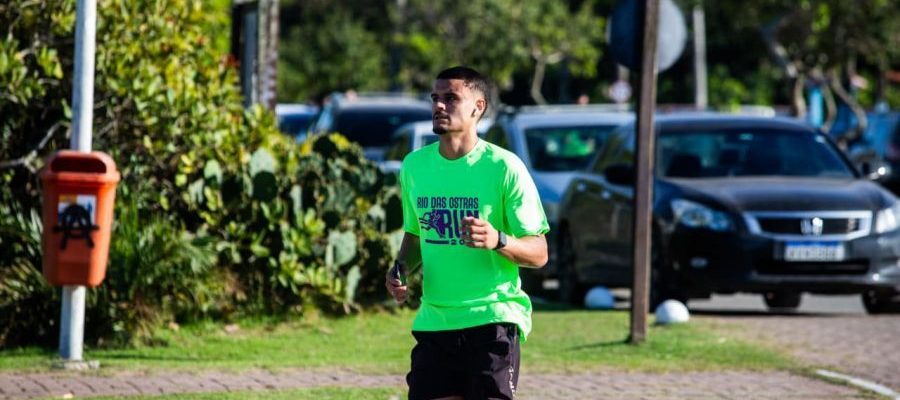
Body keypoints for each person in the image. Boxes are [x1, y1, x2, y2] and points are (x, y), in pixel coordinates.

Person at [385, 66, 549, 400]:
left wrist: (498, 240)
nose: (439, 106)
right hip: (436, 320)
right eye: (435, 98)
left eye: (450, 98)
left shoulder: (504, 168)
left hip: (492, 320)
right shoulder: (415, 166)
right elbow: (417, 234)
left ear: (478, 107)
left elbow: (539, 252)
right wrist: (401, 267)